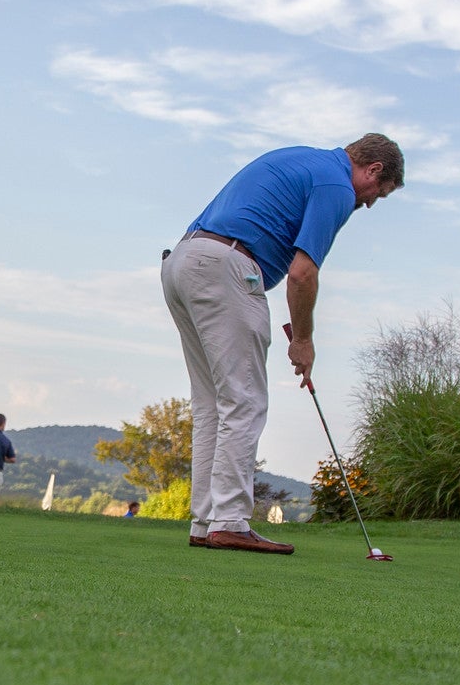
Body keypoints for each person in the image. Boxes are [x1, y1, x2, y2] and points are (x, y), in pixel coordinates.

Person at [163, 133, 404, 554]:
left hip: (183, 262)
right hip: (227, 265)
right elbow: (302, 274)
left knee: (212, 404)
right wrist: (304, 341)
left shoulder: (304, 158)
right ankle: (229, 522)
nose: (369, 203)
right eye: (377, 194)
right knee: (244, 401)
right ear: (373, 169)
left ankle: (205, 522)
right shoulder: (337, 185)